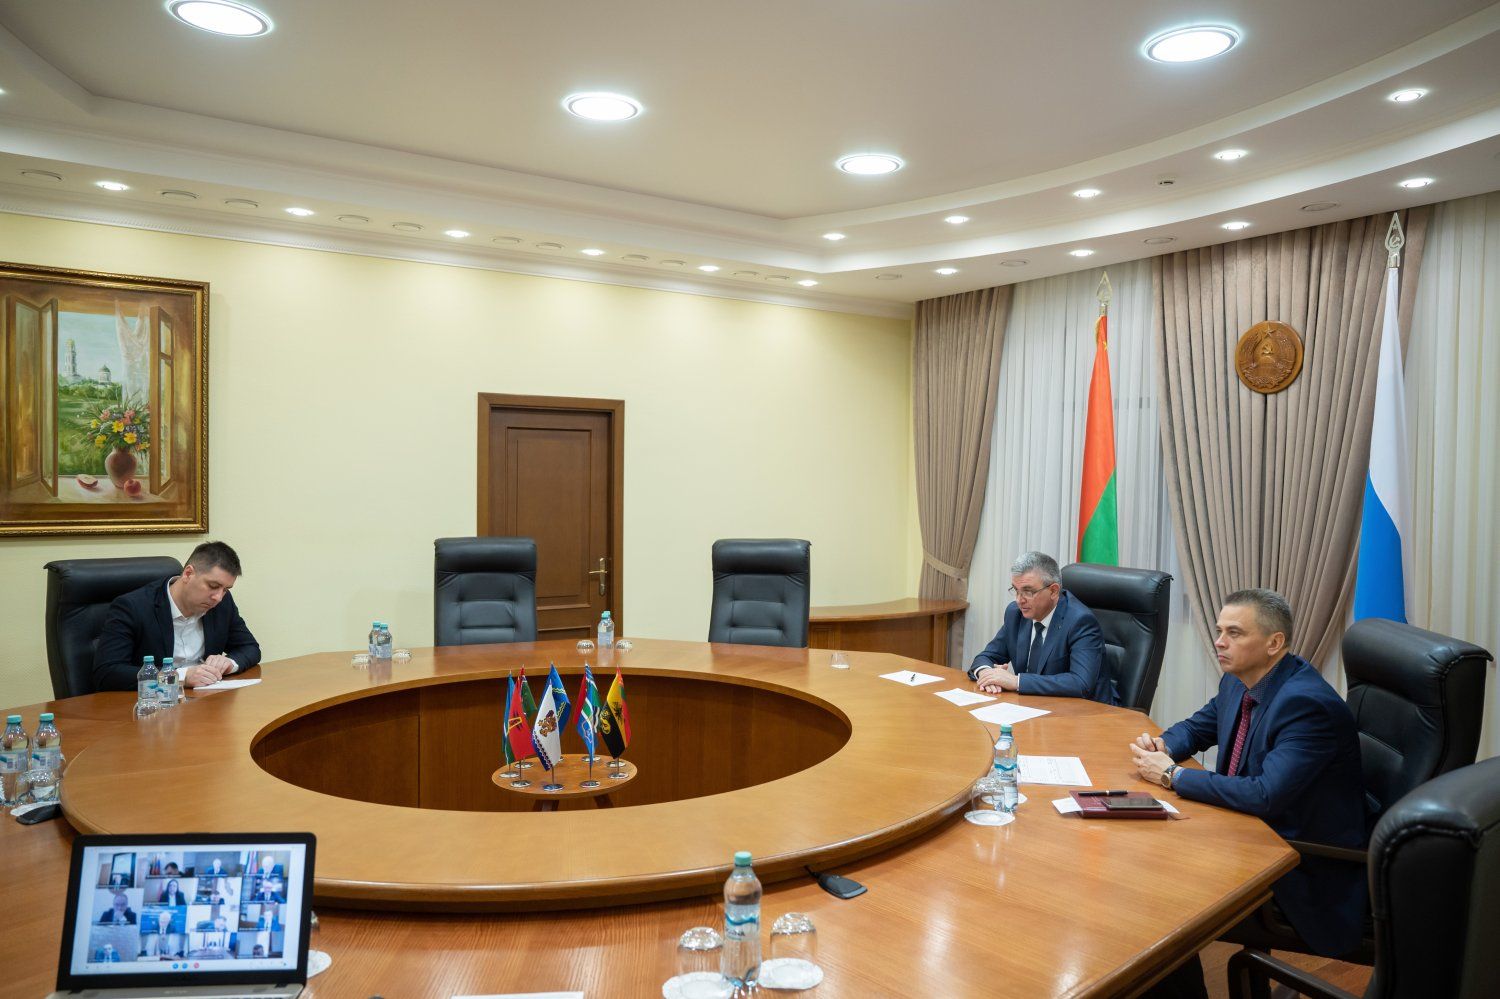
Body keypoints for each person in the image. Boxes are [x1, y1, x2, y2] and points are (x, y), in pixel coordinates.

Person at [1129, 589, 1366, 996]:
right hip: (1249, 834)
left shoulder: (1306, 705)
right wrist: (1164, 745)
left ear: (1275, 643)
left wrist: (1171, 775)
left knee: (1157, 899)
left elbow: (1264, 795)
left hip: (1298, 863)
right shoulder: (1239, 681)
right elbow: (1198, 727)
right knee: (1144, 863)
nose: (1219, 642)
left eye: (1234, 633)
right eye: (1220, 630)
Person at [93, 541, 261, 691]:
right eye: (213, 586)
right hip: (152, 705)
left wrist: (229, 663)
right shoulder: (133, 607)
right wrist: (180, 677)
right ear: (188, 574)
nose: (218, 597)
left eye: (225, 589)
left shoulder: (221, 603)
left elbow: (250, 648)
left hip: (205, 701)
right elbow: (108, 673)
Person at [966, 551, 1115, 703]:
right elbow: (986, 657)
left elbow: (1081, 683)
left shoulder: (1080, 621)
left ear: (1053, 591)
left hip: (1089, 711)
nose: (1019, 600)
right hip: (1035, 706)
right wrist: (987, 674)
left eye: (1028, 592)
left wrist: (1016, 681)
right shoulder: (1016, 614)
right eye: (1016, 590)